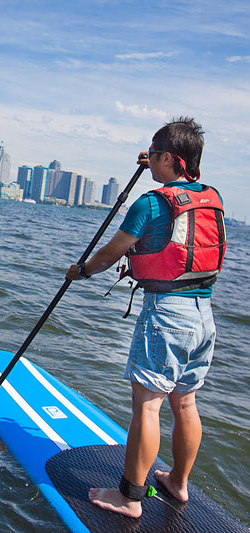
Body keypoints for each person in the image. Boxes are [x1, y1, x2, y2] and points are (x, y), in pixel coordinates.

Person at [66, 117, 226, 518]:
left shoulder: (151, 203)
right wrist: (154, 161)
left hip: (167, 314)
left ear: (169, 159)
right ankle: (177, 483)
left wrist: (81, 271)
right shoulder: (211, 197)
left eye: (155, 156)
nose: (150, 162)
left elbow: (111, 253)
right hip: (203, 315)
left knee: (148, 405)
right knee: (185, 403)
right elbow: (178, 185)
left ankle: (130, 497)